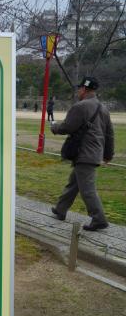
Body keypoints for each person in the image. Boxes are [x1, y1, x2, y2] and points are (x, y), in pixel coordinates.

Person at [50, 76, 114, 231]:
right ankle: (60, 209)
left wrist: (54, 127)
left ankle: (99, 219)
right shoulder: (103, 108)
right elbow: (109, 134)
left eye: (79, 88)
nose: (78, 91)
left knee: (87, 190)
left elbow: (67, 127)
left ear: (84, 89)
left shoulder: (80, 106)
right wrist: (108, 155)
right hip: (93, 153)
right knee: (74, 183)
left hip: (84, 153)